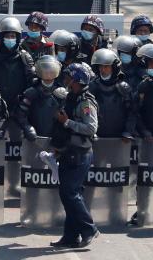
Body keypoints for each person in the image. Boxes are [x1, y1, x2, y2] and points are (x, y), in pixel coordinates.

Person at [49, 63, 100, 249]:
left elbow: (91, 127)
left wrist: (67, 122)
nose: (66, 79)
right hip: (68, 151)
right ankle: (71, 236)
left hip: (80, 153)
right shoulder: (71, 97)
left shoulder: (86, 101)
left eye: (69, 76)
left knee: (70, 193)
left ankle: (89, 229)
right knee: (70, 193)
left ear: (77, 79)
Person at [89, 48, 136, 142]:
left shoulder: (124, 88)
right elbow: (86, 111)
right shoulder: (92, 87)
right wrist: (90, 131)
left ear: (114, 67)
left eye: (106, 67)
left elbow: (132, 113)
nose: (102, 70)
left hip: (119, 138)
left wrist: (128, 131)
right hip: (97, 137)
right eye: (100, 67)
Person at [16, 55, 66, 142]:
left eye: (51, 70)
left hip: (57, 139)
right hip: (35, 138)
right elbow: (21, 114)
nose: (48, 73)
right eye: (45, 70)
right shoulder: (31, 93)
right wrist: (27, 127)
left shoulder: (62, 93)